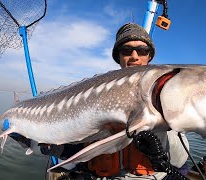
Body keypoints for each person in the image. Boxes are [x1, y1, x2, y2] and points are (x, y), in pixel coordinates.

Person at [46, 23, 190, 180]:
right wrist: (54, 147)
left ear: (149, 56)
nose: (134, 56)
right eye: (126, 50)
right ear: (119, 57)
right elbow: (78, 145)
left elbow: (179, 161)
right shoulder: (96, 93)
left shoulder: (165, 96)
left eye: (142, 51)